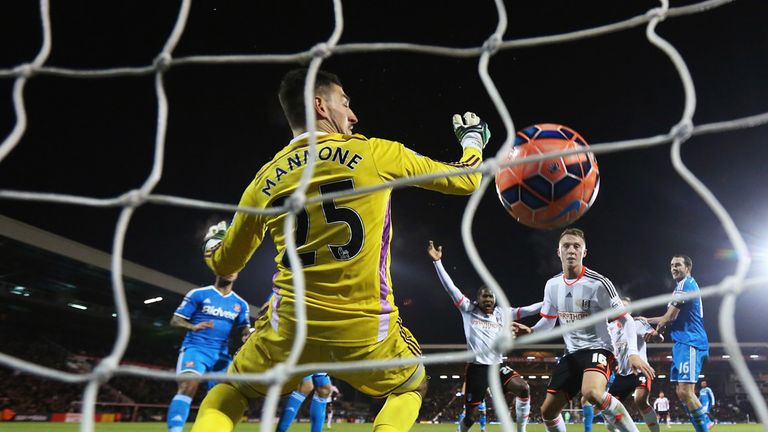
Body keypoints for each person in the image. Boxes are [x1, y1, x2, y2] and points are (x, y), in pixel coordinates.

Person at [192, 68, 489, 432]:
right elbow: (466, 179)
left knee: (227, 393)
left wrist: (211, 241)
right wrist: (473, 141)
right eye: (345, 103)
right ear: (320, 105)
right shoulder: (375, 153)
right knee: (412, 386)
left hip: (290, 331)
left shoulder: (263, 182)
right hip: (365, 331)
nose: (353, 115)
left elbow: (226, 263)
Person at [514, 228, 655, 432]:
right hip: (571, 355)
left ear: (584, 252)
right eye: (566, 246)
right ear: (558, 252)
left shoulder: (599, 283)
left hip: (599, 349)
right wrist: (531, 332)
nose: (571, 250)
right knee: (548, 411)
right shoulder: (552, 285)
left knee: (591, 392)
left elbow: (627, 320)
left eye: (576, 246)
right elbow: (548, 322)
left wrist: (633, 353)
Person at [428, 240, 541, 432]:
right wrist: (437, 263)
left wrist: (552, 301)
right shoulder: (468, 309)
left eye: (491, 297)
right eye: (484, 296)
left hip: (497, 367)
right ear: (478, 298)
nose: (488, 299)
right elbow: (450, 288)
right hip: (477, 370)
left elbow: (529, 310)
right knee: (470, 418)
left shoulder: (501, 313)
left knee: (524, 388)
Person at [167, 273, 251, 432]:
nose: (231, 271)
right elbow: (175, 319)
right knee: (189, 385)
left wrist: (247, 335)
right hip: (195, 349)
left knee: (220, 396)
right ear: (217, 268)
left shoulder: (240, 304)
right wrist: (192, 326)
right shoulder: (198, 294)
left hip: (221, 355)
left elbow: (244, 327)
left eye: (235, 268)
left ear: (238, 274)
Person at [644, 255, 712, 432]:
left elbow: (669, 317)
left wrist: (654, 329)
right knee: (681, 392)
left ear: (688, 268)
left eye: (678, 265)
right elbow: (670, 318)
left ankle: (705, 426)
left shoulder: (686, 284)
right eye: (672, 265)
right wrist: (647, 320)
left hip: (691, 341)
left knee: (686, 392)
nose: (674, 268)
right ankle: (705, 423)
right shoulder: (680, 289)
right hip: (682, 343)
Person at [602, 298, 664, 432]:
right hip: (623, 374)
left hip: (641, 370)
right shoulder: (610, 328)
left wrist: (656, 336)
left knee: (640, 400)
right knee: (607, 408)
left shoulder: (638, 324)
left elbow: (657, 337)